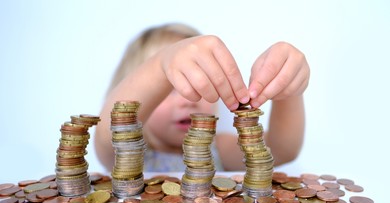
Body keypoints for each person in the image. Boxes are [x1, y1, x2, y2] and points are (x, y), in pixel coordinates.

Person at [95, 23, 309, 172]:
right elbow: (111, 130)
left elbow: (281, 150)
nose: (188, 99)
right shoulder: (125, 156)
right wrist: (161, 66)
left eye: (202, 83)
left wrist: (286, 90)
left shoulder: (218, 150)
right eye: (169, 87)